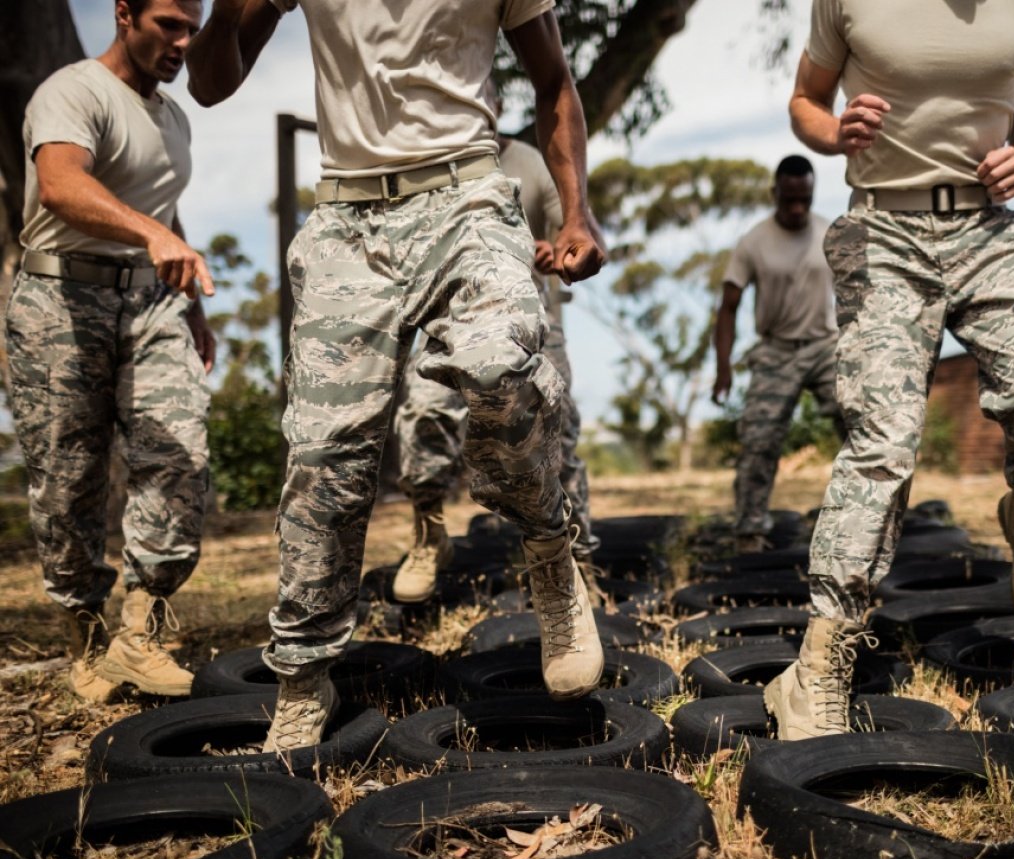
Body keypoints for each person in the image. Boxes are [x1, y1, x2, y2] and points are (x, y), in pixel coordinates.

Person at [186, 0, 608, 750]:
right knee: (326, 457)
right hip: (349, 217)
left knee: (496, 364)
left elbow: (554, 82)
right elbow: (212, 84)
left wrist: (578, 212)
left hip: (467, 197)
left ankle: (549, 546)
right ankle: (303, 674)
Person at [766, 0, 1014, 739]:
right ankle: (818, 666)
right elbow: (806, 101)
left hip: (988, 231)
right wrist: (831, 132)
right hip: (884, 226)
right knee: (883, 443)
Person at [7, 0, 216, 703]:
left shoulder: (173, 117)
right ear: (124, 14)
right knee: (70, 481)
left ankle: (142, 632)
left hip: (152, 301)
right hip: (61, 299)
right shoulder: (72, 91)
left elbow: (162, 208)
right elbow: (63, 184)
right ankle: (85, 635)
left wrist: (197, 308)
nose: (184, 41)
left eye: (193, 26)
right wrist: (152, 235)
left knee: (180, 450)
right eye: (168, 24)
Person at [391, 80, 598, 606]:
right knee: (421, 416)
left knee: (559, 439)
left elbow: (573, 234)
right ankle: (429, 533)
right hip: (450, 326)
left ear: (498, 106)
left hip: (533, 330)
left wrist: (557, 252)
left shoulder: (532, 162)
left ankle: (577, 563)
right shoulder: (433, 167)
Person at [712, 155, 842, 554]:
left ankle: (869, 520)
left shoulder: (830, 233)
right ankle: (749, 532)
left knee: (864, 425)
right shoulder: (753, 242)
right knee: (759, 440)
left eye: (805, 198)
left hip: (826, 346)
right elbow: (728, 307)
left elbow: (860, 292)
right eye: (790, 200)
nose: (798, 207)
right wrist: (723, 368)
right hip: (775, 351)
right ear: (775, 194)